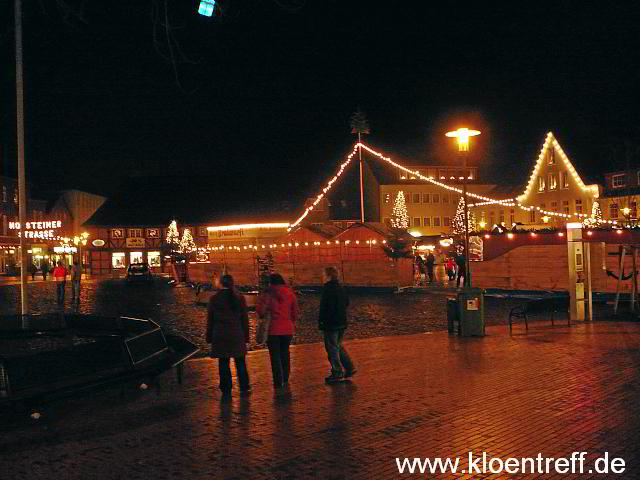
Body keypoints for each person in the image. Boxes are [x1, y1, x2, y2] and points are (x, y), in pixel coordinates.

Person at [206, 274, 251, 396]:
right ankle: (244, 385)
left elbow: (210, 320)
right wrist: (246, 336)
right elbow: (244, 320)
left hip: (220, 334)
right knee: (240, 362)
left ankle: (226, 388)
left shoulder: (214, 299)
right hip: (236, 333)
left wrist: (209, 337)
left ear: (220, 284)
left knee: (223, 362)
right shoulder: (239, 298)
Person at [256, 273, 299, 389]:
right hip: (288, 330)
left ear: (271, 283)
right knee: (285, 353)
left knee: (275, 356)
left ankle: (278, 381)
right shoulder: (290, 293)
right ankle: (285, 378)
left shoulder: (268, 294)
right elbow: (295, 312)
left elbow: (261, 311)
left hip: (273, 330)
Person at [319, 266, 355, 384]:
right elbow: (347, 302)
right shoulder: (340, 288)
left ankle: (337, 372)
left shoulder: (327, 289)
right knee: (338, 345)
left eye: (324, 275)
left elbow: (325, 307)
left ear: (328, 276)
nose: (322, 277)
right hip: (341, 322)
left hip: (331, 323)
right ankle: (349, 367)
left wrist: (322, 321)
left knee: (332, 348)